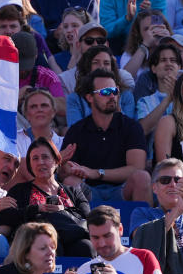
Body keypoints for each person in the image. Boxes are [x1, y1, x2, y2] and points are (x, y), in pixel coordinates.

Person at [61, 69, 149, 204]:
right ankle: (76, 225)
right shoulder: (77, 131)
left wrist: (97, 173)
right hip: (89, 191)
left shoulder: (131, 127)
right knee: (70, 182)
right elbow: (65, 172)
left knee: (142, 178)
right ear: (90, 97)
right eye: (105, 92)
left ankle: (143, 224)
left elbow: (136, 168)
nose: (112, 96)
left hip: (123, 190)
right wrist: (66, 168)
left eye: (114, 91)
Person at [0, 137, 91, 256]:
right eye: (35, 158)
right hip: (36, 241)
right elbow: (3, 217)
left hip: (72, 239)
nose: (40, 162)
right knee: (53, 246)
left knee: (86, 247)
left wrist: (63, 211)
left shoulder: (73, 191)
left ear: (56, 161)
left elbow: (87, 217)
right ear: (30, 165)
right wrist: (37, 209)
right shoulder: (19, 190)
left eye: (45, 157)